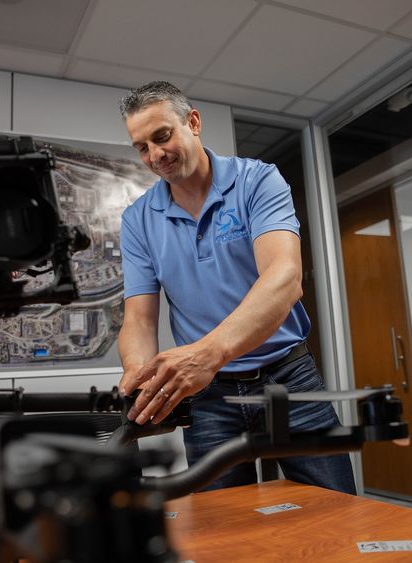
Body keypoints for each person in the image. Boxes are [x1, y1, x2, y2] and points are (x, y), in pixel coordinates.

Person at [116, 81, 356, 493]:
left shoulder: (257, 181)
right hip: (209, 398)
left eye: (162, 136)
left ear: (192, 122)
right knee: (222, 530)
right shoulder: (138, 219)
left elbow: (284, 279)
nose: (155, 155)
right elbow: (139, 317)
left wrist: (206, 355)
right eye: (142, 147)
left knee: (336, 512)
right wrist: (140, 375)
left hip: (287, 379)